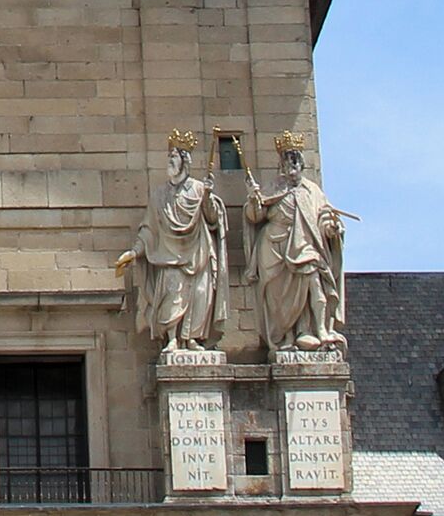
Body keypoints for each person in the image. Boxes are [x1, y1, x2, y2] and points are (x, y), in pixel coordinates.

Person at [114, 130, 228, 352]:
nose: (170, 162)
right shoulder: (159, 196)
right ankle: (173, 338)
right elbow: (149, 230)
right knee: (173, 297)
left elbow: (213, 218)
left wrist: (208, 198)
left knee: (200, 295)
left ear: (184, 162)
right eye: (169, 158)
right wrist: (134, 252)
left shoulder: (198, 189)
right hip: (168, 256)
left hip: (198, 255)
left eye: (174, 158)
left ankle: (193, 338)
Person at [246, 131, 355, 352]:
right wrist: (254, 199)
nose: (290, 165)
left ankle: (320, 330)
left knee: (315, 286)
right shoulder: (273, 187)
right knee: (279, 298)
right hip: (274, 247)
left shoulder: (312, 190)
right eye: (286, 161)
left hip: (305, 245)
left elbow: (323, 216)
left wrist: (333, 228)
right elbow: (255, 216)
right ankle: (288, 335)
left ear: (301, 163)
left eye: (294, 160)